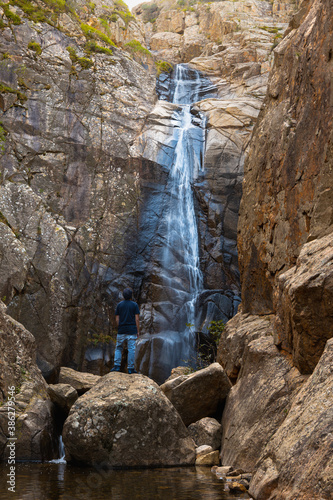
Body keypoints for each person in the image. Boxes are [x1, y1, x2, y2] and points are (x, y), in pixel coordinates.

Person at [111, 288, 140, 374]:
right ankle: (130, 368)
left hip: (122, 330)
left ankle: (116, 366)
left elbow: (117, 319)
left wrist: (119, 327)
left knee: (119, 348)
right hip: (132, 330)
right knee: (131, 349)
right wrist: (138, 330)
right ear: (131, 295)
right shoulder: (134, 305)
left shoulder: (119, 305)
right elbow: (137, 319)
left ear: (123, 295)